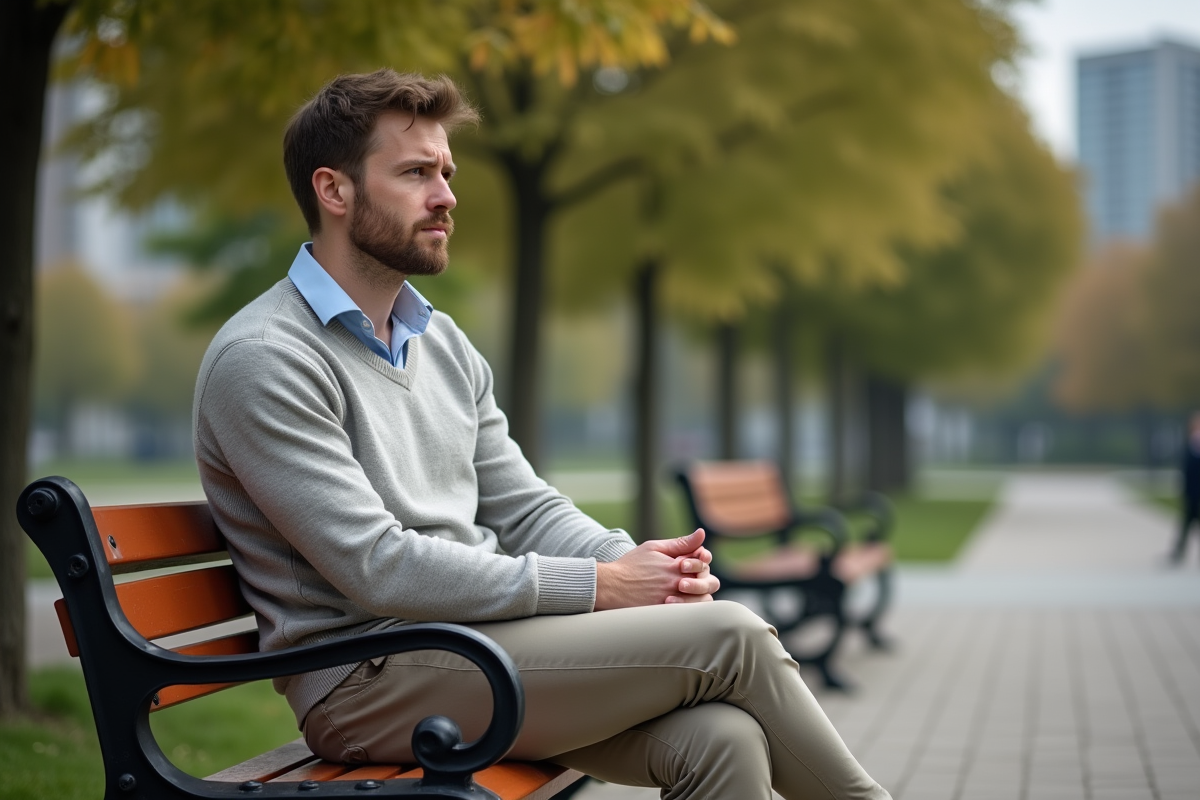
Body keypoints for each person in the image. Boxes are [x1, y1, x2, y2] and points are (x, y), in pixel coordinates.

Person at [193, 68, 891, 800]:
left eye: (447, 172)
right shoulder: (267, 357)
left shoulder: (441, 343)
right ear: (333, 191)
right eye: (415, 173)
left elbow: (525, 506)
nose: (446, 196)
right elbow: (376, 565)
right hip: (370, 678)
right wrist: (600, 587)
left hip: (473, 648)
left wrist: (641, 570)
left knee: (722, 740)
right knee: (734, 635)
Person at [1170, 412, 1200, 564]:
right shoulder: (1190, 445)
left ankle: (1178, 552)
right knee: (1186, 525)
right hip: (1192, 492)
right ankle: (1178, 553)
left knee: (1187, 525)